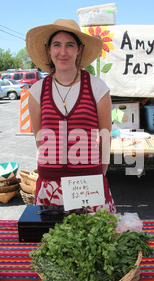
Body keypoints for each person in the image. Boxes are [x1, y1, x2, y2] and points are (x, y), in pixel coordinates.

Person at [26, 19, 116, 213]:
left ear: (79, 49)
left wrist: (98, 175)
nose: (63, 52)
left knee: (93, 240)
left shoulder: (97, 88)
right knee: (54, 241)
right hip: (50, 185)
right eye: (56, 45)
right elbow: (39, 139)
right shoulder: (37, 91)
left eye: (70, 45)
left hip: (87, 183)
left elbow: (105, 137)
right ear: (48, 49)